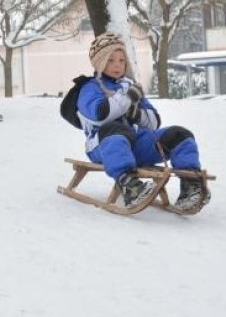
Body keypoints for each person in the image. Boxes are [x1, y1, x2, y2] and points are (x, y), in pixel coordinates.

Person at [76, 32, 209, 211]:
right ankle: (130, 186)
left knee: (179, 134)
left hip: (135, 145)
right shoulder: (89, 88)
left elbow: (154, 122)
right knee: (115, 129)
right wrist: (127, 99)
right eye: (110, 60)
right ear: (99, 62)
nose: (117, 65)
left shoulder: (130, 85)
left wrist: (136, 114)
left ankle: (191, 186)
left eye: (122, 60)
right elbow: (101, 114)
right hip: (104, 145)